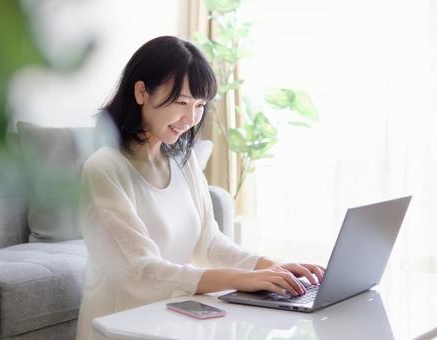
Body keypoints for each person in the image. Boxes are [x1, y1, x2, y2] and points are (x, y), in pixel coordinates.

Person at [76, 36, 325, 340]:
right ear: (141, 92)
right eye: (181, 102)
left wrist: (275, 267)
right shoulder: (104, 168)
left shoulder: (183, 160)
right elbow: (139, 273)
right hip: (121, 327)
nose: (191, 119)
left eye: (199, 105)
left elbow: (209, 243)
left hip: (170, 322)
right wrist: (245, 279)